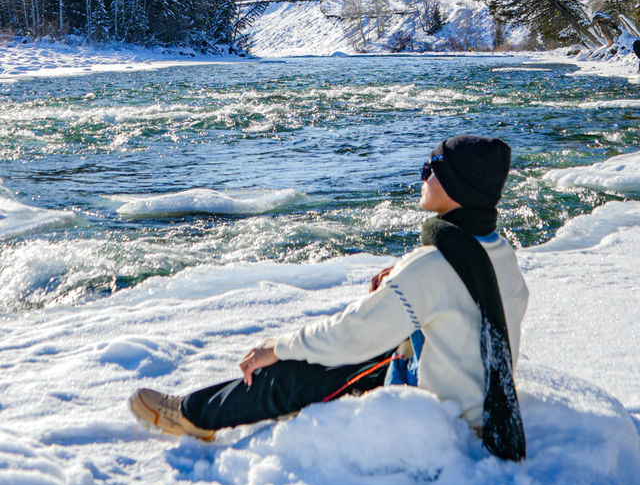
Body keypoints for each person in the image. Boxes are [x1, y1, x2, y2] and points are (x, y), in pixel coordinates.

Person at [130, 134, 529, 460]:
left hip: (448, 420)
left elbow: (348, 336)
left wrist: (277, 347)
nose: (423, 174)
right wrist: (404, 278)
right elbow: (453, 298)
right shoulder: (495, 251)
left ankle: (193, 415)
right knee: (359, 346)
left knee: (299, 371)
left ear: (459, 185)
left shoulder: (432, 266)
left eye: (433, 167)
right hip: (483, 398)